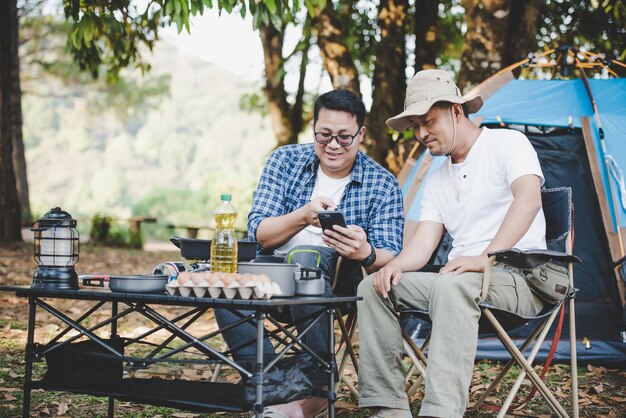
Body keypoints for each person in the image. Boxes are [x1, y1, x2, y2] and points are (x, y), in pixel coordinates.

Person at [356, 69, 569, 418]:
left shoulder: (507, 143)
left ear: (456, 112)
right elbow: (424, 245)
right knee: (373, 287)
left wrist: (486, 257)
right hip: (459, 282)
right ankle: (388, 406)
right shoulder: (438, 177)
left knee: (452, 285)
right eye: (415, 127)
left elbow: (528, 201)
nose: (421, 134)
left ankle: (441, 412)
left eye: (428, 122)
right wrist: (393, 265)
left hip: (521, 277)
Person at [214, 89, 404, 418]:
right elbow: (258, 231)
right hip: (270, 274)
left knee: (305, 258)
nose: (332, 145)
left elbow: (390, 254)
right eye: (324, 134)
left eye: (344, 137)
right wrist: (303, 216)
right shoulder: (284, 160)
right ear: (313, 128)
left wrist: (365, 251)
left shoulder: (381, 182)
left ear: (361, 134)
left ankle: (318, 386)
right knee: (222, 280)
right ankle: (275, 386)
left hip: (337, 285)